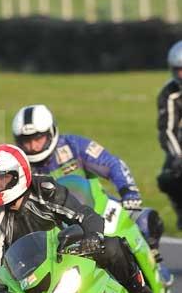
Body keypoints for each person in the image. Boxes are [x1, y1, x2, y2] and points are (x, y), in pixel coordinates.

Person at [0, 144, 170, 293]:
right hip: (28, 274)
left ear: (20, 173)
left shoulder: (44, 190)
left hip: (68, 251)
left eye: (2, 178)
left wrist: (93, 236)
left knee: (113, 247)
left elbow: (85, 215)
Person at [12, 104, 164, 253]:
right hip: (59, 228)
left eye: (38, 139)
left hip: (101, 208)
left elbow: (112, 164)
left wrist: (129, 192)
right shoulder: (19, 167)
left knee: (147, 221)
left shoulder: (74, 146)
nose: (32, 146)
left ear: (51, 133)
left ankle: (156, 268)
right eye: (27, 141)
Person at [157, 41, 182, 229]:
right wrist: (179, 157)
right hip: (180, 146)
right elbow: (167, 131)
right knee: (167, 178)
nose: (181, 74)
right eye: (178, 70)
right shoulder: (169, 93)